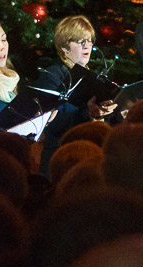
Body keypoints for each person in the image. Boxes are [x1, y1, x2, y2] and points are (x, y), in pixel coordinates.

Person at [36, 16, 119, 174]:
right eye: (80, 41)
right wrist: (88, 113)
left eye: (89, 40)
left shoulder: (92, 76)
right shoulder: (52, 76)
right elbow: (53, 124)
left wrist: (108, 111)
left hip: (89, 156)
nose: (87, 45)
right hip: (61, 158)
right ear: (65, 47)